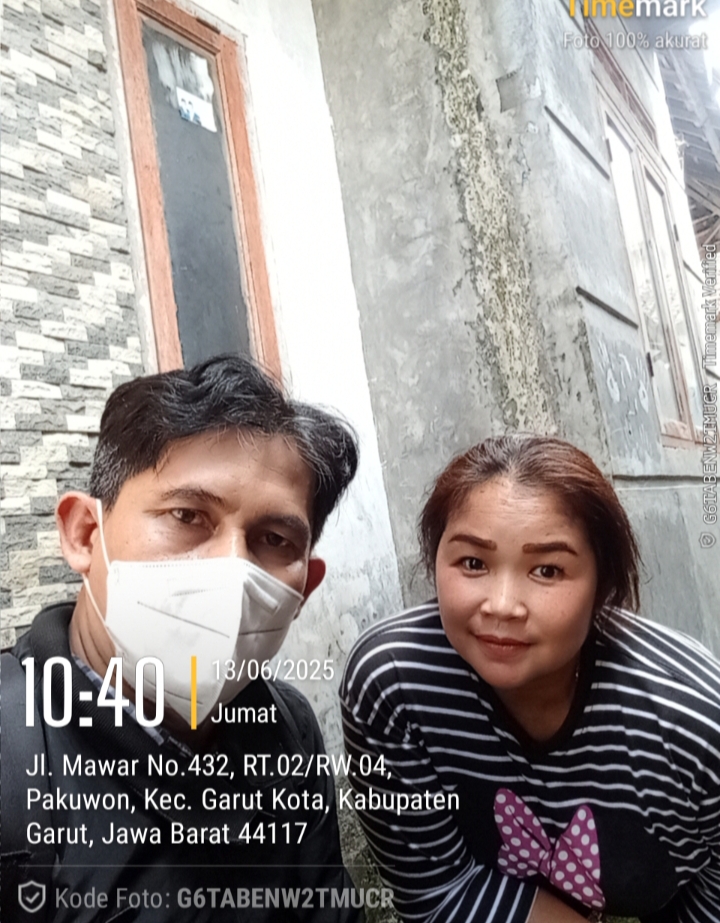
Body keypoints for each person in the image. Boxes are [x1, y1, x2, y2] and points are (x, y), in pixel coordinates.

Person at [2, 355, 363, 922]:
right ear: (86, 535)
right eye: (187, 516)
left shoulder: (289, 731)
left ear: (304, 590)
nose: (232, 571)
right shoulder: (13, 753)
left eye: (274, 538)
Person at [341, 435, 720, 923]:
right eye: (473, 563)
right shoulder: (394, 684)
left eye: (547, 570)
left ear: (602, 584)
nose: (502, 606)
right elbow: (435, 891)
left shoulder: (691, 719)